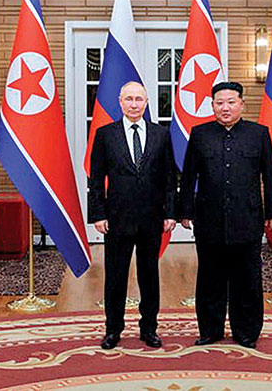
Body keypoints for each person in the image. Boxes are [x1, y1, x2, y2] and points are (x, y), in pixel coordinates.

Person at [178, 81, 272, 349]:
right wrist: (185, 210)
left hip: (247, 219)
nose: (225, 108)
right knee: (210, 279)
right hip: (208, 219)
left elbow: (270, 175)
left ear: (241, 104)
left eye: (231, 102)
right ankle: (210, 330)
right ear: (212, 106)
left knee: (246, 279)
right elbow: (188, 176)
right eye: (219, 103)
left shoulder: (258, 134)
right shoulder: (200, 134)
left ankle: (246, 332)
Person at [89, 81, 177, 350]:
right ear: (120, 102)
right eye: (129, 99)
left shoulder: (161, 135)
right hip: (117, 219)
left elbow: (169, 178)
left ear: (146, 102)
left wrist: (170, 213)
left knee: (149, 276)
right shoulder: (105, 135)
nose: (134, 104)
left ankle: (149, 328)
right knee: (116, 277)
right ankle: (113, 330)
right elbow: (96, 179)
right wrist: (98, 214)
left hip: (152, 218)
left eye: (139, 99)